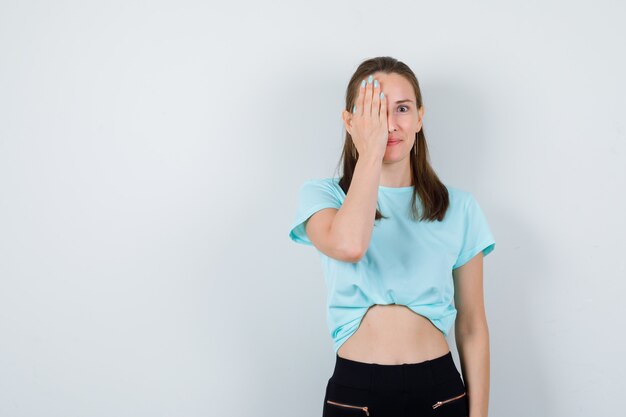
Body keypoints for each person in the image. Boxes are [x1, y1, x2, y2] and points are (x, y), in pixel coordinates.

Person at [288, 56, 496, 417]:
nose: (389, 124)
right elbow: (350, 245)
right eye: (374, 111)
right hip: (356, 391)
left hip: (439, 392)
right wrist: (370, 150)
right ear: (351, 122)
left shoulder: (459, 207)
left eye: (401, 108)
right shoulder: (323, 197)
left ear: (419, 117)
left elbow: (472, 324)